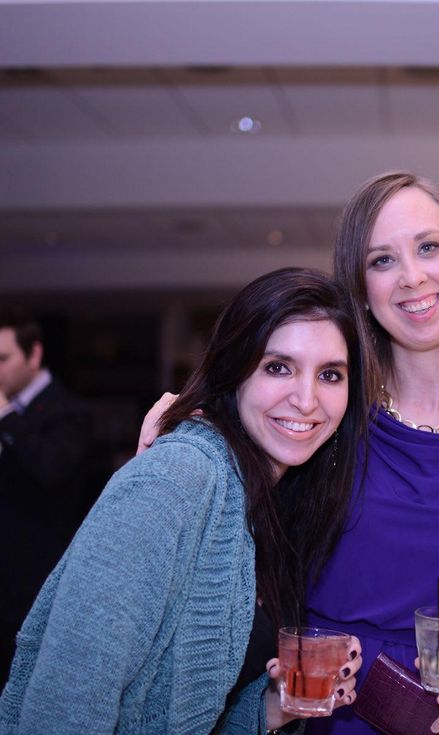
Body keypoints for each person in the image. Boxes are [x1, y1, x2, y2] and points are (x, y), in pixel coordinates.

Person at [139, 173, 439, 734]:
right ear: (361, 288)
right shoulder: (326, 407)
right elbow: (235, 435)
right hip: (324, 708)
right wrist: (185, 422)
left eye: (428, 247)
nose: (412, 276)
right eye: (382, 260)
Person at [1, 268, 363, 733]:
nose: (308, 400)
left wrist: (274, 706)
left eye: (330, 374)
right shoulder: (177, 477)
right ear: (233, 371)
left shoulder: (272, 500)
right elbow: (66, 698)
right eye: (278, 367)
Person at [0, 310, 91, 686]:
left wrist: (5, 414)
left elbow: (51, 471)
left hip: (37, 579)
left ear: (34, 355)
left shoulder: (69, 410)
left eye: (3, 359)